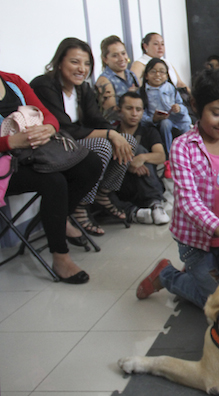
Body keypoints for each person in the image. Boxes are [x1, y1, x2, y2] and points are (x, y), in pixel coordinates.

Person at [135, 68, 219, 308]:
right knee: (217, 300)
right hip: (195, 240)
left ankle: (197, 274)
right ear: (195, 105)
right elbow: (188, 201)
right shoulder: (183, 147)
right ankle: (167, 275)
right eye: (217, 113)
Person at [0, 70, 102, 284]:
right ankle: (61, 257)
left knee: (90, 163)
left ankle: (61, 217)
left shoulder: (12, 80)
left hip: (30, 154)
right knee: (53, 181)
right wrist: (10, 143)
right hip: (4, 164)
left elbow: (48, 116)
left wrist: (47, 128)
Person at [31, 37, 137, 236]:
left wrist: (113, 133)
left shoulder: (83, 88)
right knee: (102, 145)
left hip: (73, 143)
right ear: (59, 62)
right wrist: (109, 134)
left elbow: (97, 120)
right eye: (75, 62)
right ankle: (80, 205)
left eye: (87, 63)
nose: (82, 68)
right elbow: (62, 128)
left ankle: (103, 194)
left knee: (127, 141)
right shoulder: (45, 85)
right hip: (52, 146)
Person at [114, 92, 169, 225]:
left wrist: (142, 158)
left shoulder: (149, 131)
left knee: (139, 150)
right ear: (119, 111)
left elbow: (161, 156)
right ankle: (135, 212)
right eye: (129, 108)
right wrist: (129, 165)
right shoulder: (113, 134)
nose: (134, 113)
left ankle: (155, 205)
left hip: (145, 183)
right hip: (122, 184)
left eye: (138, 109)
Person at [139, 58, 192, 155]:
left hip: (178, 119)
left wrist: (178, 108)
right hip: (158, 122)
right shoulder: (143, 92)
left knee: (186, 128)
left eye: (162, 72)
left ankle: (189, 152)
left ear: (167, 75)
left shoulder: (170, 88)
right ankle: (169, 153)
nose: (158, 75)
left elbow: (182, 106)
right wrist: (153, 119)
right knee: (165, 123)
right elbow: (142, 115)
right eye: (153, 71)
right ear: (146, 75)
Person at [95, 35, 140, 122]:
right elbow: (111, 114)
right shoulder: (104, 80)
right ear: (105, 59)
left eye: (123, 53)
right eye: (115, 55)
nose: (121, 58)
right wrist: (128, 98)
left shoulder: (131, 75)